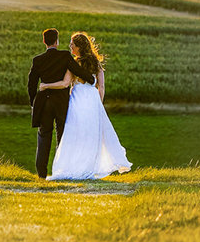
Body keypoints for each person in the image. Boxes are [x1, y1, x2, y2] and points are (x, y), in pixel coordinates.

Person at [42, 31, 131, 180]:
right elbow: (101, 87)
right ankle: (87, 167)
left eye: (72, 44)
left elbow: (65, 83)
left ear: (79, 47)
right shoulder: (96, 63)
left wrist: (46, 85)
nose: (70, 46)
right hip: (92, 102)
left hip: (77, 102)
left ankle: (72, 166)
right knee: (90, 136)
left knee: (74, 134)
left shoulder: (74, 63)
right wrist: (98, 105)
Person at [27, 28, 97, 179]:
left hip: (43, 103)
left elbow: (31, 84)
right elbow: (77, 70)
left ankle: (41, 175)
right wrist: (92, 79)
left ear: (44, 42)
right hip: (61, 103)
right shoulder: (64, 56)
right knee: (62, 137)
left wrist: (34, 103)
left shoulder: (37, 60)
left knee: (44, 136)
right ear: (57, 42)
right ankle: (62, 170)